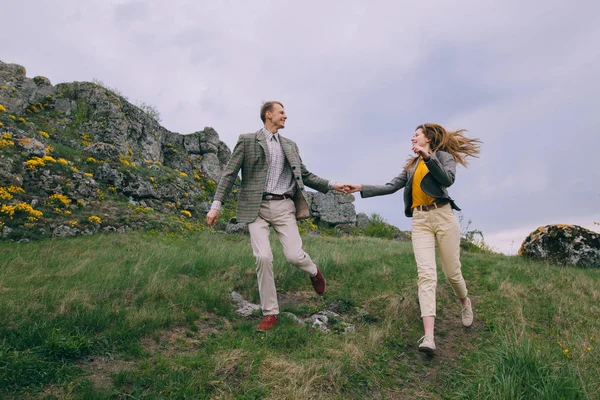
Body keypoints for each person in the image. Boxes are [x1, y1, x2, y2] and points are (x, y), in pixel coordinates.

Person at [207, 101, 347, 332]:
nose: (286, 116)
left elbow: (306, 175)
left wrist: (333, 185)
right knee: (263, 258)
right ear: (268, 114)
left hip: (284, 206)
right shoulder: (247, 140)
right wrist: (216, 205)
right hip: (256, 207)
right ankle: (270, 313)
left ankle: (313, 270)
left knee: (293, 255)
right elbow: (229, 174)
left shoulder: (290, 145)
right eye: (281, 112)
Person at [344, 123, 481, 355]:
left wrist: (429, 157)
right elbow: (390, 186)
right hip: (420, 221)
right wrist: (360, 187)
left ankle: (465, 303)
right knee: (426, 275)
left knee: (452, 273)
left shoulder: (443, 157)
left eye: (416, 135)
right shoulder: (411, 165)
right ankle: (429, 337)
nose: (412, 138)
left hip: (443, 217)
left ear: (428, 138)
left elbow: (447, 180)